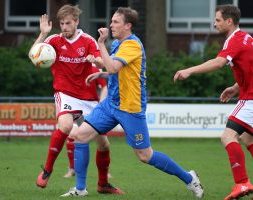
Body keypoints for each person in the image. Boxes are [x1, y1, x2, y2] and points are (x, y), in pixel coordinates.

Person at [61, 7, 204, 198]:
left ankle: (189, 178)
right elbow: (114, 69)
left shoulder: (132, 45)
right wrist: (101, 73)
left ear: (128, 25)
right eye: (111, 21)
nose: (111, 25)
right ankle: (80, 189)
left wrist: (100, 44)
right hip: (110, 104)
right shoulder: (118, 44)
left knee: (145, 156)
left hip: (130, 107)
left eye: (116, 22)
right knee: (80, 136)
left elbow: (113, 66)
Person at [29, 4, 123, 194]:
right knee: (64, 126)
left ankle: (103, 184)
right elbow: (34, 55)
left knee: (103, 144)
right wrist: (42, 34)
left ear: (76, 22)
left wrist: (94, 60)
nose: (64, 27)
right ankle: (47, 170)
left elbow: (102, 61)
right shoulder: (54, 40)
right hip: (65, 94)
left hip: (88, 98)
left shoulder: (88, 41)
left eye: (68, 23)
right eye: (62, 23)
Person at [173, 4, 253, 200]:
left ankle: (242, 183)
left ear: (229, 21)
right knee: (248, 139)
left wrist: (189, 70)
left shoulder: (233, 40)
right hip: (247, 94)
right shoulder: (247, 38)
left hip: (250, 98)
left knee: (228, 136)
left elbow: (218, 63)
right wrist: (235, 87)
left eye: (217, 20)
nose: (214, 24)